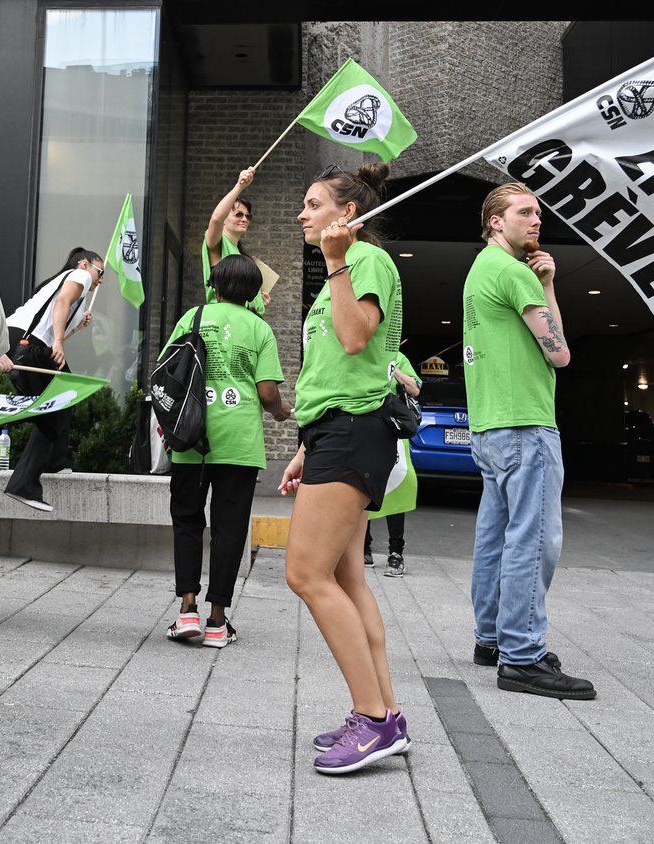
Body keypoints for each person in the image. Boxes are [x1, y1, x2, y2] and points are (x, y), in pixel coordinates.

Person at [278, 162, 410, 775]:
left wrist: (336, 263)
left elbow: (358, 341)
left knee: (306, 574)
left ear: (346, 213)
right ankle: (384, 712)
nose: (302, 214)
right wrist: (307, 446)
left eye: (313, 203)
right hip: (337, 430)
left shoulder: (367, 262)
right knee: (348, 578)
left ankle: (374, 721)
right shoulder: (346, 268)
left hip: (355, 433)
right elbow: (336, 371)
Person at [463, 183, 595, 700]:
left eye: (538, 213)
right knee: (534, 537)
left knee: (495, 536)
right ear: (496, 221)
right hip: (526, 422)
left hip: (491, 425)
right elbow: (559, 353)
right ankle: (522, 655)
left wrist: (548, 282)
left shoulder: (481, 271)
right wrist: (544, 287)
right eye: (524, 213)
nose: (536, 221)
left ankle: (491, 638)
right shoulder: (513, 273)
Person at [163, 254, 289, 648]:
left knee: (187, 520)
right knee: (230, 528)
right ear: (254, 293)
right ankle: (218, 621)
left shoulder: (192, 318)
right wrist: (282, 411)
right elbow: (268, 393)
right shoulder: (260, 329)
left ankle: (187, 611)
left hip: (192, 438)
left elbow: (166, 372)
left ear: (214, 286)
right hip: (240, 443)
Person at [0, 246, 103, 511]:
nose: (99, 280)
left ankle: (55, 461)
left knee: (62, 400)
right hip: (29, 344)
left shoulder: (66, 286)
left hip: (16, 342)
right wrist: (58, 341)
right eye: (99, 271)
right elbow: (60, 306)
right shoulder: (79, 276)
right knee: (60, 402)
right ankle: (24, 483)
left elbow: (57, 316)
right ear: (84, 264)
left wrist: (76, 324)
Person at [364, 350, 421, 577]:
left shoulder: (398, 356)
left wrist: (392, 368)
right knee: (364, 485)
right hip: (366, 428)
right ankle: (363, 548)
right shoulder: (361, 352)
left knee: (398, 485)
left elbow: (415, 389)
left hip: (393, 430)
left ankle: (396, 552)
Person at [202, 167, 266, 313]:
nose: (245, 219)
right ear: (225, 218)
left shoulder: (240, 253)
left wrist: (260, 302)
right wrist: (240, 186)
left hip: (248, 320)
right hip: (224, 318)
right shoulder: (218, 242)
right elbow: (216, 219)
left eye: (248, 216)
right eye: (238, 214)